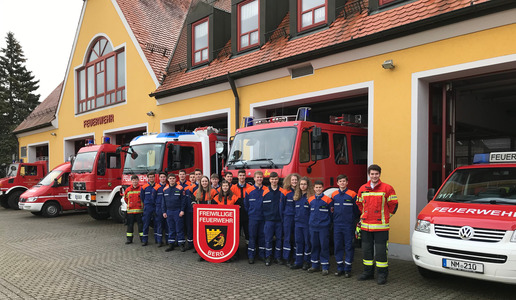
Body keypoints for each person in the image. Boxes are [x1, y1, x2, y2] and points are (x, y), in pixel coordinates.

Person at [357, 164, 398, 285]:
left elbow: (394, 205)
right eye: (372, 174)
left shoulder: (387, 188)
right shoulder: (362, 188)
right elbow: (359, 204)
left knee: (380, 252)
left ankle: (382, 274)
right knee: (366, 251)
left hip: (381, 227)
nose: (374, 176)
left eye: (376, 174)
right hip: (366, 226)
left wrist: (386, 217)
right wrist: (364, 215)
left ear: (380, 174)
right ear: (369, 175)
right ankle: (368, 272)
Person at [331, 174, 359, 277]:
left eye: (344, 181)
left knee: (349, 246)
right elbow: (332, 210)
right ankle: (340, 268)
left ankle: (348, 269)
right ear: (337, 183)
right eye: (340, 181)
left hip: (348, 225)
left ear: (347, 183)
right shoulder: (334, 195)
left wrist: (352, 220)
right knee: (338, 246)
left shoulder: (352, 194)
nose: (342, 183)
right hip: (337, 225)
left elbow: (356, 211)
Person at [307, 180, 333, 275]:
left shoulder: (327, 200)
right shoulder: (310, 199)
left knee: (324, 246)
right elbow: (308, 213)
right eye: (316, 187)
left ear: (323, 188)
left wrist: (327, 224)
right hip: (313, 227)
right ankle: (314, 265)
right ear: (314, 189)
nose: (318, 189)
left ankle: (325, 266)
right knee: (314, 246)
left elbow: (331, 214)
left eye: (320, 187)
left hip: (323, 228)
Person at [245, 171, 268, 264]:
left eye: (261, 177)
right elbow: (246, 204)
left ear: (263, 178)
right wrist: (251, 212)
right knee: (252, 237)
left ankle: (262, 255)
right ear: (254, 179)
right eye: (257, 177)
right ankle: (251, 256)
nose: (259, 179)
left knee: (262, 237)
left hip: (263, 218)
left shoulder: (266, 190)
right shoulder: (249, 190)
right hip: (253, 218)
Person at [291, 176, 313, 270]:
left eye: (304, 184)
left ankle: (307, 262)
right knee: (298, 242)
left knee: (307, 243)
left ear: (307, 185)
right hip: (298, 224)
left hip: (307, 224)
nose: (303, 186)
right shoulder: (296, 198)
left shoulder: (310, 198)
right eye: (301, 184)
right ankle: (298, 261)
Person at [262, 172, 284, 266]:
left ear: (278, 180)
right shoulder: (265, 191)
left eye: (275, 179)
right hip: (269, 220)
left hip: (279, 220)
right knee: (268, 239)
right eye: (272, 179)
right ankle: (268, 257)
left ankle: (277, 257)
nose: (274, 181)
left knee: (279, 239)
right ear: (269, 180)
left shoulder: (282, 191)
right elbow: (261, 206)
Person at [162, 174, 187, 252]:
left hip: (177, 211)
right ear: (168, 180)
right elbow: (163, 202)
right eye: (170, 178)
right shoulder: (165, 189)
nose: (172, 180)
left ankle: (181, 244)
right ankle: (171, 244)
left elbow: (183, 201)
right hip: (169, 211)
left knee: (179, 228)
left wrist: (182, 210)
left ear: (175, 179)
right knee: (171, 228)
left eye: (173, 178)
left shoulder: (180, 188)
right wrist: (164, 212)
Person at [280, 173, 300, 266]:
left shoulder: (300, 191)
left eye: (296, 180)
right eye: (293, 180)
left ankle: (296, 258)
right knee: (287, 238)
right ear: (289, 181)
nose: (294, 181)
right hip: (288, 217)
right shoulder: (285, 192)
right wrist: (283, 218)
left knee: (297, 238)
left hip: (298, 218)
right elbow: (281, 207)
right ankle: (286, 258)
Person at [185, 168, 202, 250]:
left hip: (201, 212)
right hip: (191, 211)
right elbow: (190, 199)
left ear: (201, 175)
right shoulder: (191, 187)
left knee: (199, 229)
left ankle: (198, 245)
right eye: (196, 174)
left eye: (199, 174)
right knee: (190, 227)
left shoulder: (205, 185)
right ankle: (190, 243)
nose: (198, 176)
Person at [231, 169, 250, 246]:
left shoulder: (249, 187)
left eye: (243, 175)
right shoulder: (233, 188)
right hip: (237, 215)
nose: (242, 177)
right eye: (240, 175)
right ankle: (236, 252)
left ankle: (248, 251)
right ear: (237, 176)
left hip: (247, 214)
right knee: (236, 234)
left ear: (245, 176)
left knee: (248, 234)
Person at [124, 175, 143, 244]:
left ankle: (142, 239)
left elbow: (143, 199)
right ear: (131, 181)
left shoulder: (141, 189)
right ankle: (129, 239)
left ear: (138, 181)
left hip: (139, 211)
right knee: (130, 226)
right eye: (133, 180)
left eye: (136, 180)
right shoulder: (128, 190)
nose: (134, 182)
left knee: (140, 226)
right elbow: (125, 199)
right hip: (130, 212)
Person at [141, 171, 157, 246]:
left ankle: (157, 240)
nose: (151, 178)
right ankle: (145, 240)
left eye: (152, 177)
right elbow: (142, 197)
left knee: (157, 223)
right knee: (146, 223)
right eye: (150, 177)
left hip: (156, 206)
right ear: (148, 178)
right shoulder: (144, 187)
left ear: (154, 177)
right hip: (147, 207)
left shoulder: (157, 186)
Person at [154, 172, 168, 247]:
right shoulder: (156, 187)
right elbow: (153, 198)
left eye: (164, 177)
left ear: (166, 178)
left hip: (167, 208)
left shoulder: (168, 186)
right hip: (159, 208)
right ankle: (159, 241)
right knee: (159, 225)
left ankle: (168, 241)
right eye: (161, 177)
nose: (163, 178)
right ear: (159, 178)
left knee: (167, 225)